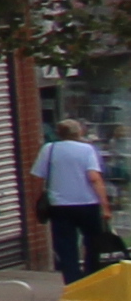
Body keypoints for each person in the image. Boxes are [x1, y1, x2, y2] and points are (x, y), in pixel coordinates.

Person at [40, 116, 116, 283]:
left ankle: (72, 281)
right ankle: (91, 276)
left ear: (58, 133)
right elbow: (94, 178)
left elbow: (39, 175)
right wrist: (105, 206)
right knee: (93, 242)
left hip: (59, 205)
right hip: (87, 203)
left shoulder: (49, 149)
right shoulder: (87, 150)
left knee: (66, 246)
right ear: (79, 132)